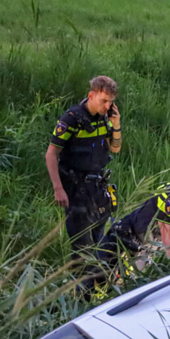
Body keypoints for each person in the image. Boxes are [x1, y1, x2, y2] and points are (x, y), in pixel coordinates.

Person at [45, 76, 122, 259]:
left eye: (110, 102)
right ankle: (80, 285)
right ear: (91, 95)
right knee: (82, 249)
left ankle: (96, 285)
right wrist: (58, 189)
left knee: (99, 243)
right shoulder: (72, 119)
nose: (107, 106)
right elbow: (51, 154)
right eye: (103, 101)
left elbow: (116, 148)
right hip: (76, 189)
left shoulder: (105, 119)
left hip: (98, 189)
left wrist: (116, 124)